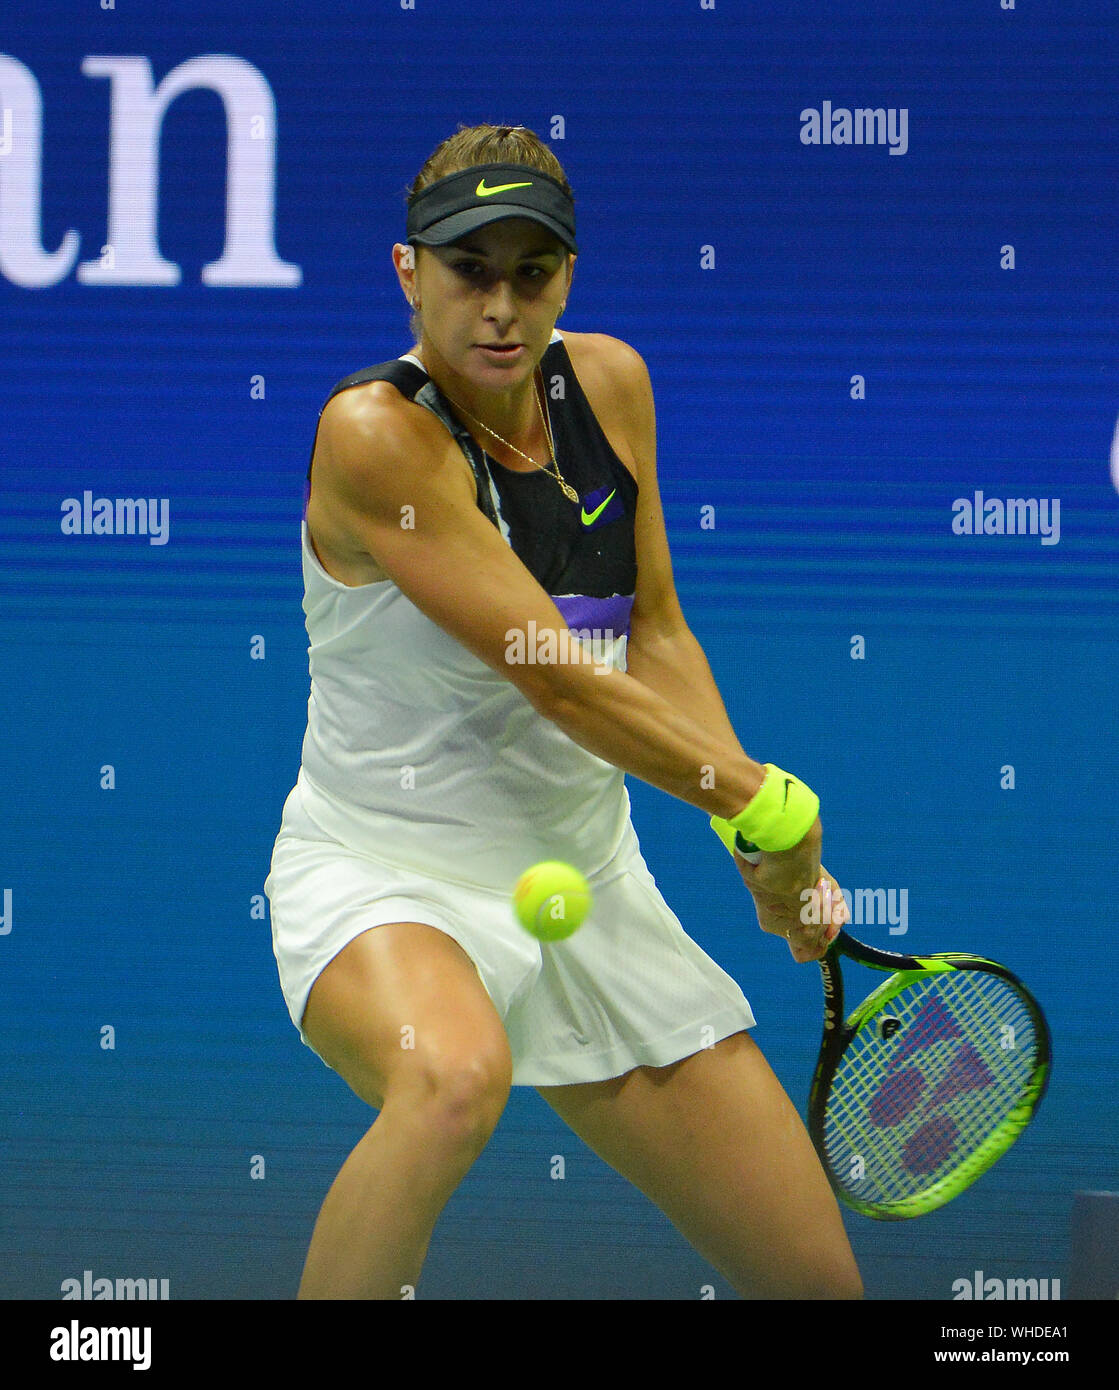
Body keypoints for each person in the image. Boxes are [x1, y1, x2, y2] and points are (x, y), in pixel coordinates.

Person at [263, 123, 862, 1301]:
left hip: (590, 883)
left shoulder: (612, 385)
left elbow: (652, 635)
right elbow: (558, 671)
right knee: (449, 1079)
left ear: (568, 277)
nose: (499, 305)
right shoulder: (373, 436)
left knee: (819, 1286)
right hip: (387, 879)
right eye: (466, 270)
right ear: (406, 272)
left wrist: (759, 845)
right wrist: (761, 800)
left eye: (529, 272)